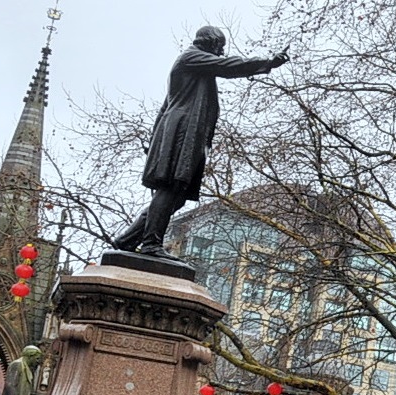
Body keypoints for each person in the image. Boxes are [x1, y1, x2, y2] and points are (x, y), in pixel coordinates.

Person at [112, 26, 288, 258]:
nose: (221, 52)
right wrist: (267, 62)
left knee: (176, 196)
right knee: (170, 188)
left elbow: (165, 107)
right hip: (182, 132)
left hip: (187, 135)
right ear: (211, 43)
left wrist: (155, 141)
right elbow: (228, 67)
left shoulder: (196, 68)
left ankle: (127, 240)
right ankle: (150, 243)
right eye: (220, 47)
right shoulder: (191, 57)